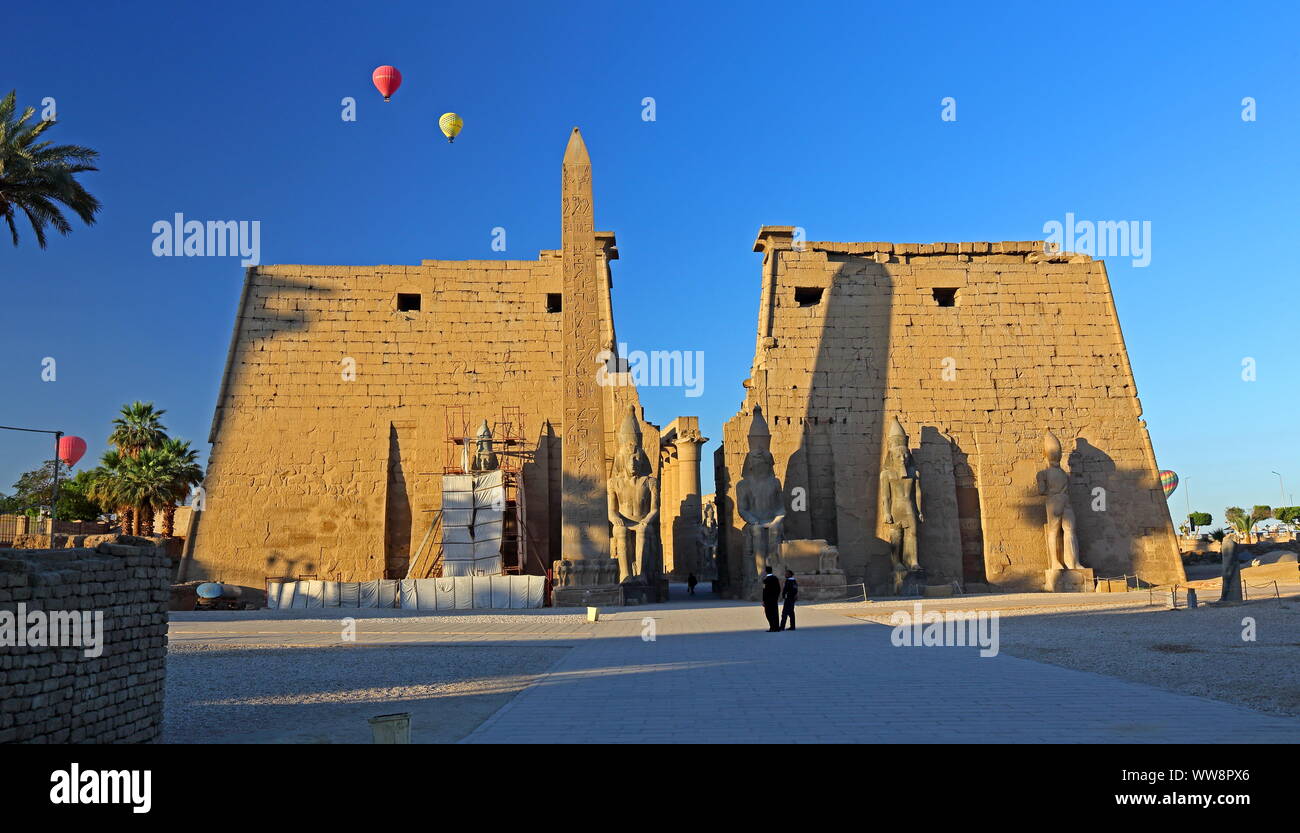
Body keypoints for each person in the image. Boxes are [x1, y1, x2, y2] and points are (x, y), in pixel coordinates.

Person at [761, 565, 781, 632]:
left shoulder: (765, 580)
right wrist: (776, 597)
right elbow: (778, 589)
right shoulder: (775, 578)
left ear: (766, 572)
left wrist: (763, 600)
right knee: (775, 613)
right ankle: (776, 627)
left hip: (768, 600)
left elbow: (764, 591)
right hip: (774, 599)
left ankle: (772, 627)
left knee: (768, 614)